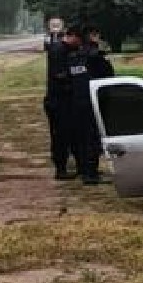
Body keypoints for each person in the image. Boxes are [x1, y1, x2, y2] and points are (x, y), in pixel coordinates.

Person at [63, 26, 107, 184]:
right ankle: (91, 174)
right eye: (96, 35)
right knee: (92, 139)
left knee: (79, 138)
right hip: (91, 103)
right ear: (91, 36)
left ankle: (83, 170)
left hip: (75, 103)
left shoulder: (72, 57)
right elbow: (107, 75)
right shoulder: (94, 56)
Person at [44, 18, 75, 180]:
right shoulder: (58, 50)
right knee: (60, 136)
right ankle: (60, 168)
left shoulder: (59, 49)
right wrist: (73, 79)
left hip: (58, 100)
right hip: (57, 101)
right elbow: (59, 75)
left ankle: (62, 166)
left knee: (62, 135)